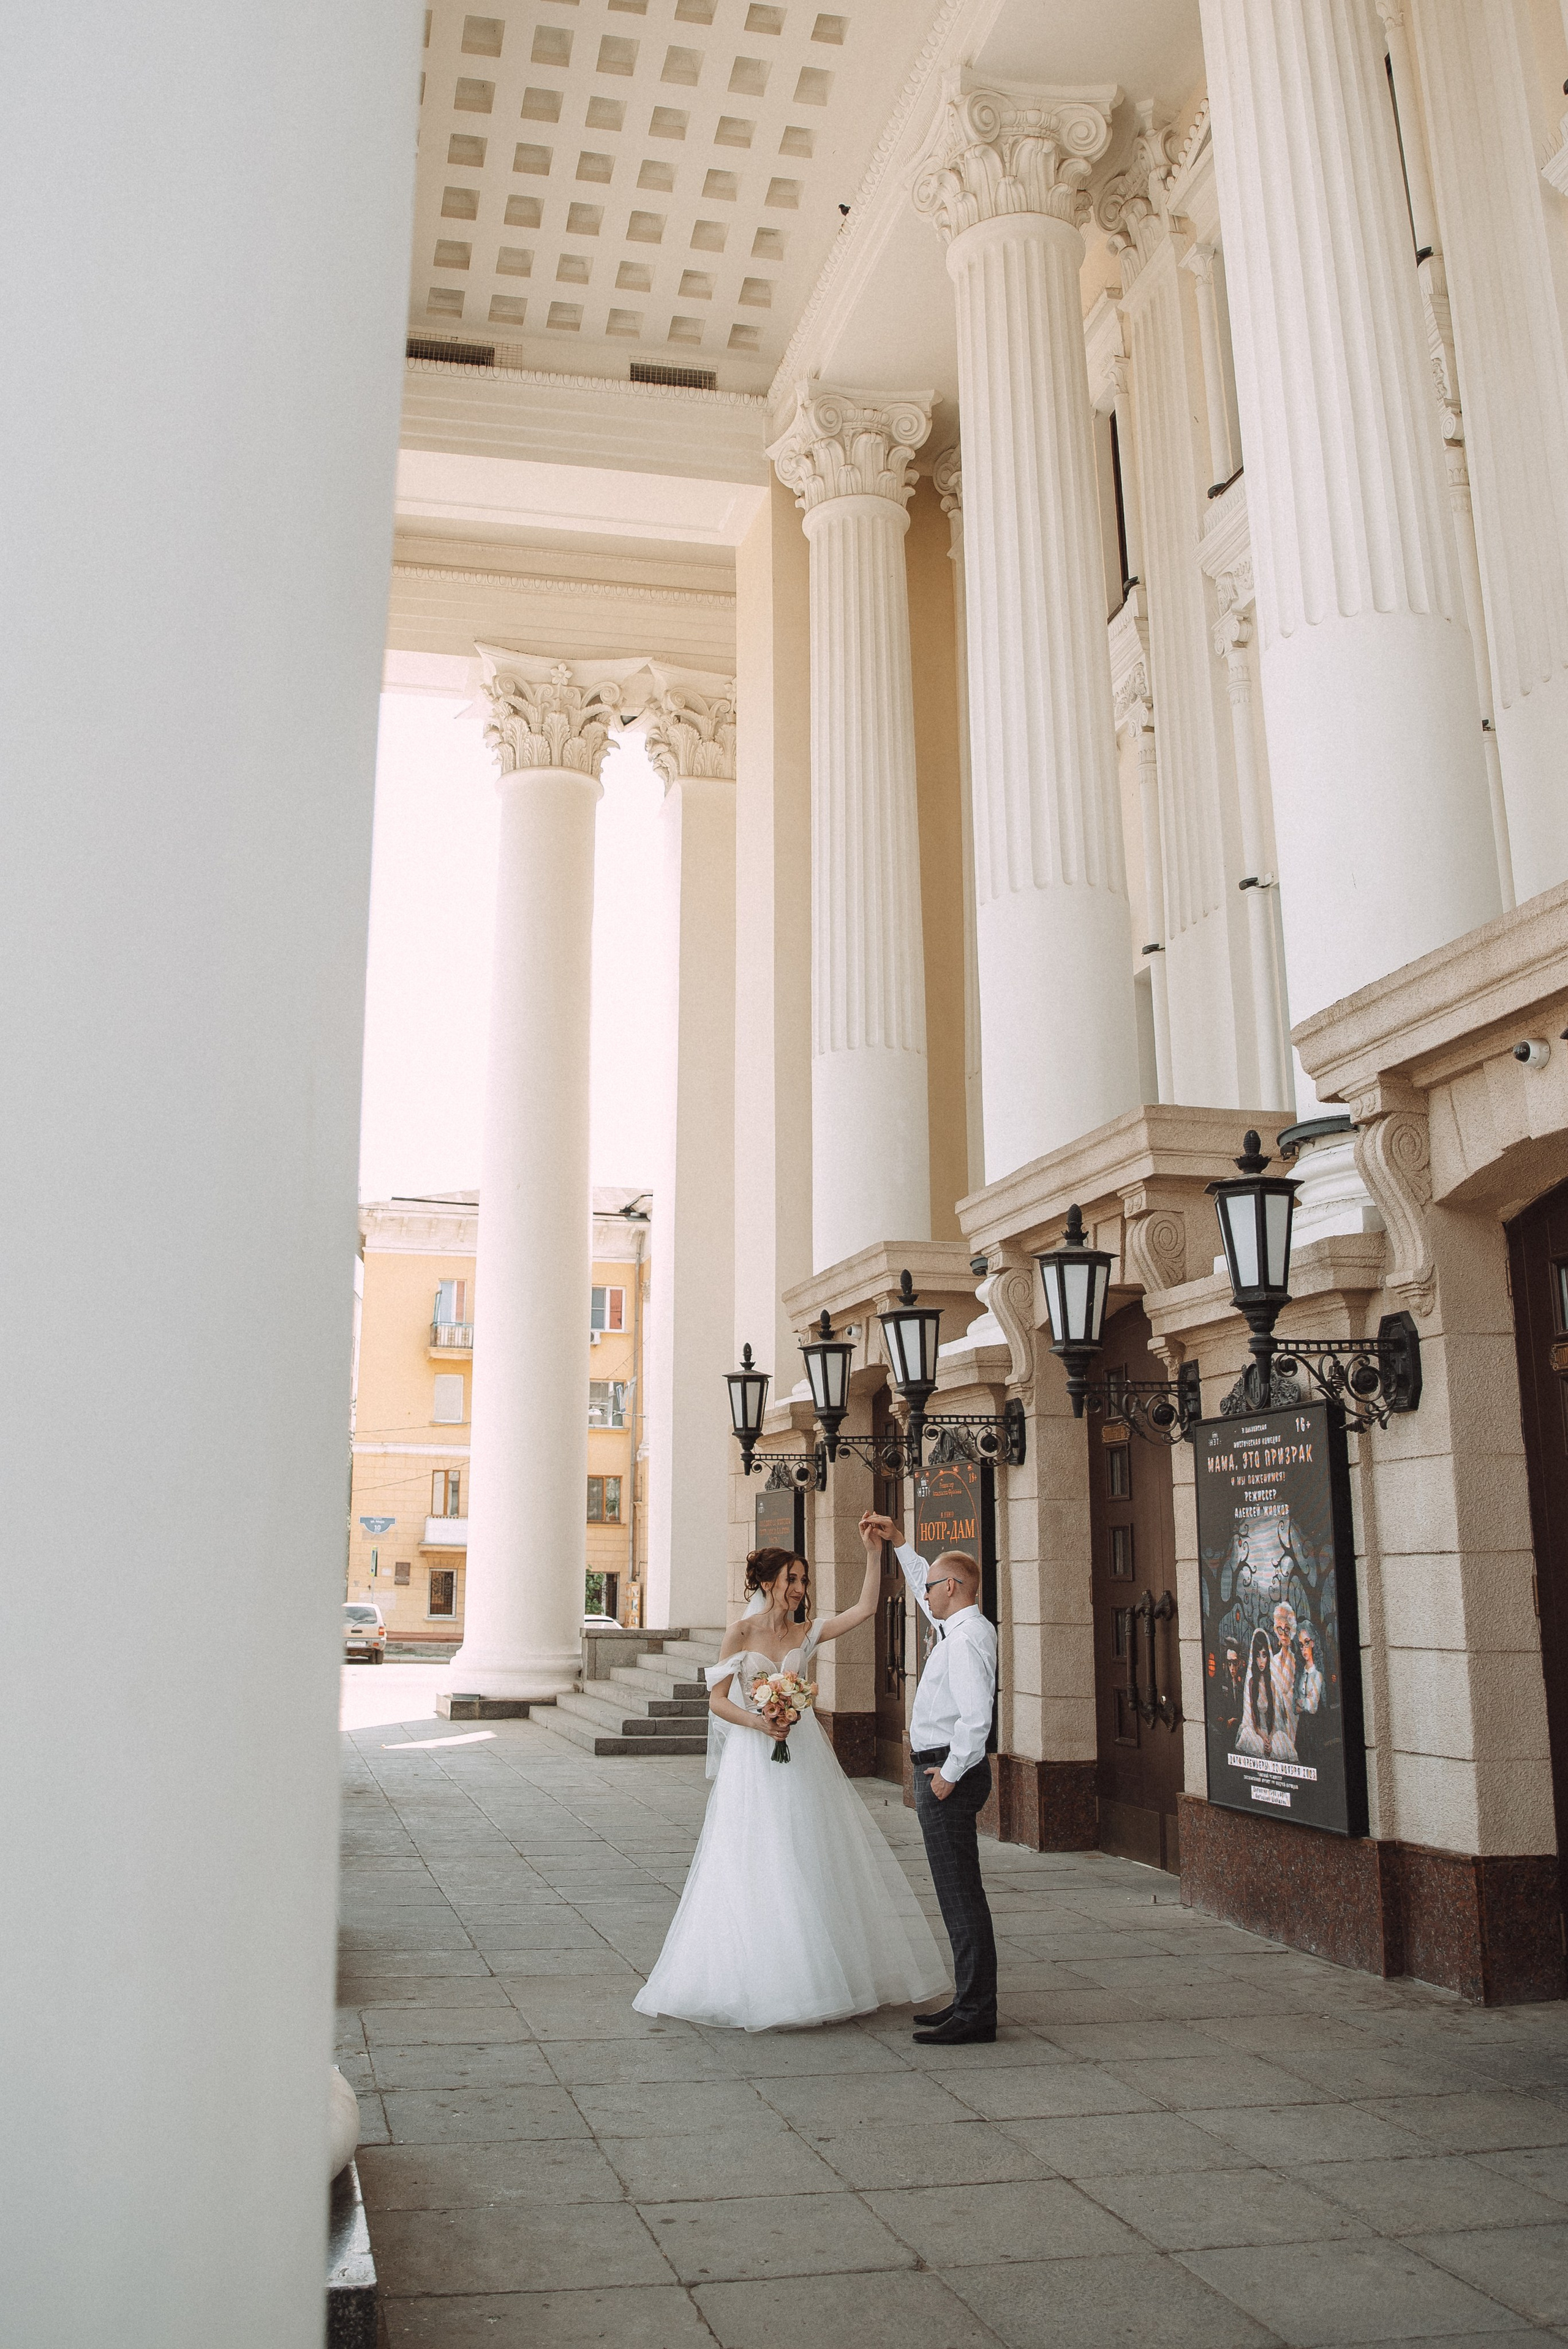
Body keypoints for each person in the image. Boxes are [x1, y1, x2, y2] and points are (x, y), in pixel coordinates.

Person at [631, 1544, 951, 2032]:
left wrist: (872, 1553)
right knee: (759, 1856)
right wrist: (759, 1722)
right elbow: (717, 1701)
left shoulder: (806, 1632)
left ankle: (818, 1974)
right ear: (768, 1583)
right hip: (753, 1756)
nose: (800, 1589)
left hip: (802, 1755)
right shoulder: (740, 1633)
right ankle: (761, 1977)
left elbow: (865, 1608)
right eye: (792, 1579)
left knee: (807, 1850)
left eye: (804, 1580)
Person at [859, 1510, 999, 2047]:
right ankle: (968, 2000)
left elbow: (977, 1718)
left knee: (961, 1897)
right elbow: (924, 1583)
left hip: (948, 1772)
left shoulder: (964, 1640)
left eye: (935, 1586)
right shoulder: (960, 1627)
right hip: (944, 1767)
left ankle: (976, 2012)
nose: (926, 1593)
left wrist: (949, 1775)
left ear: (954, 1587)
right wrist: (899, 1542)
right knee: (957, 1895)